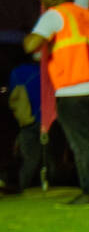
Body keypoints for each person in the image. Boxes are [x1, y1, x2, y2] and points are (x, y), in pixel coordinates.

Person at [23, 0, 89, 206]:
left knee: (81, 144)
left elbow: (30, 46)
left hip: (73, 89)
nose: (42, 3)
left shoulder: (54, 15)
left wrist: (34, 35)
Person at [9, 51, 48, 194]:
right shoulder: (47, 69)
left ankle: (23, 188)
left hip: (27, 120)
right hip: (48, 120)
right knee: (50, 158)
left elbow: (14, 98)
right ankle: (50, 187)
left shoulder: (17, 72)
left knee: (30, 160)